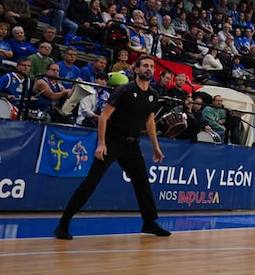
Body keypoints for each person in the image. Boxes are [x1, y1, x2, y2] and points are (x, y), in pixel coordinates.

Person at [54, 56, 172, 240]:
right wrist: (101, 143)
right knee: (91, 182)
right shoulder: (124, 90)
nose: (149, 69)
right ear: (136, 69)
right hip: (112, 141)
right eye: (145, 66)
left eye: (151, 66)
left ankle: (149, 222)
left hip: (132, 144)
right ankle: (63, 224)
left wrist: (156, 147)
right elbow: (104, 116)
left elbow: (149, 121)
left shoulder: (153, 94)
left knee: (142, 183)